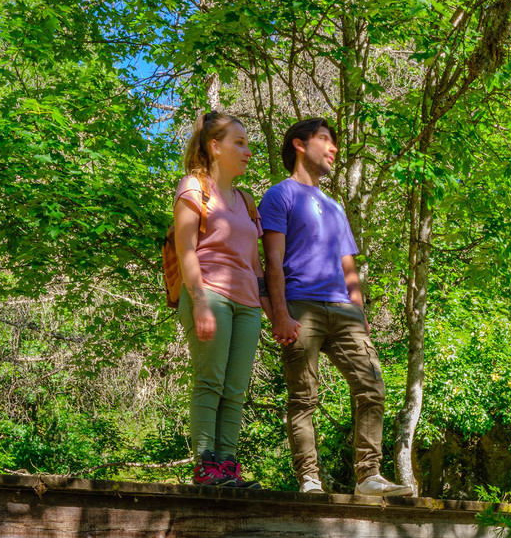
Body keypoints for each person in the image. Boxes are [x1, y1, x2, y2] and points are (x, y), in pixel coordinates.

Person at [259, 118, 406, 497]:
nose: (334, 148)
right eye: (325, 139)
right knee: (303, 397)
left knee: (372, 387)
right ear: (299, 145)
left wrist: (359, 313)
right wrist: (279, 313)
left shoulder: (335, 207)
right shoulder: (279, 196)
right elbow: (272, 261)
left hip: (344, 311)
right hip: (300, 307)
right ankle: (310, 479)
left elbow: (348, 267)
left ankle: (369, 477)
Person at [164, 110, 275, 490]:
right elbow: (186, 252)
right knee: (210, 380)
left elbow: (256, 265)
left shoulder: (246, 202)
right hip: (209, 293)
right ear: (215, 146)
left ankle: (228, 465)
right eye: (239, 143)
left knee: (236, 387)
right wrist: (200, 303)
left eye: (247, 144)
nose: (247, 151)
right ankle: (206, 466)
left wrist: (275, 313)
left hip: (246, 304)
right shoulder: (193, 189)